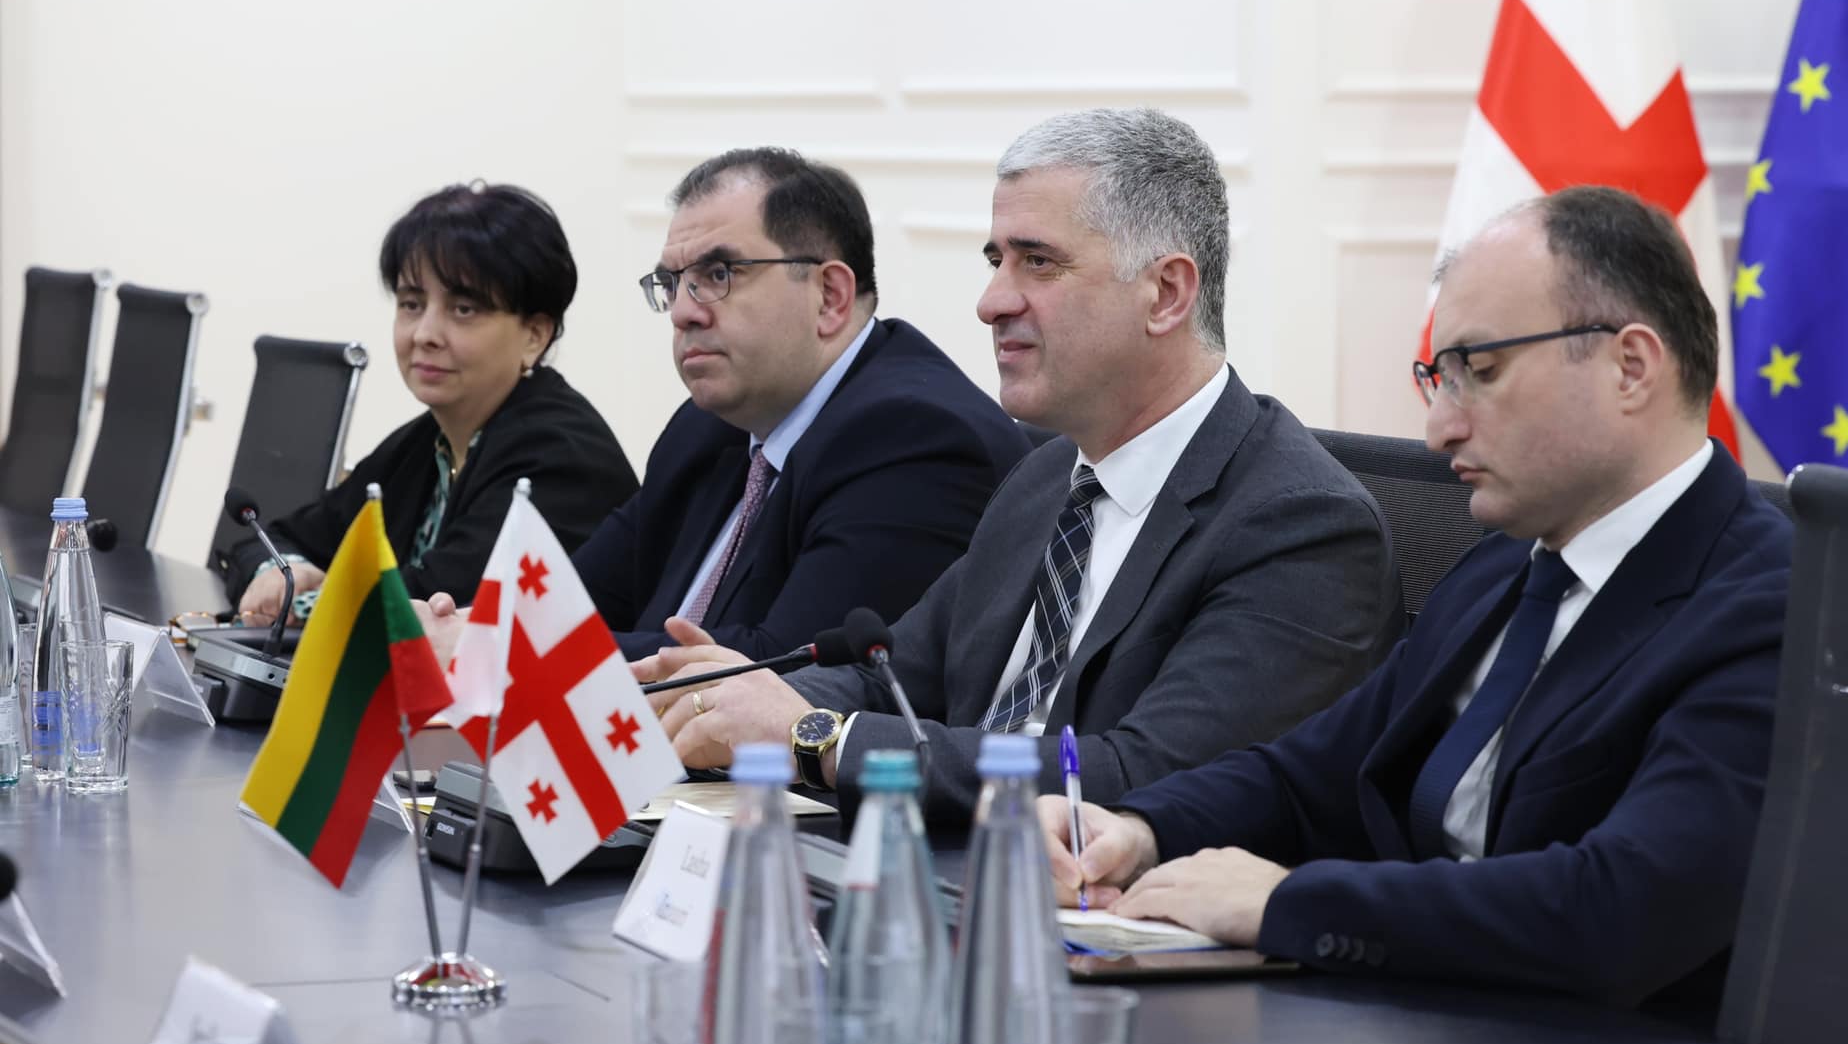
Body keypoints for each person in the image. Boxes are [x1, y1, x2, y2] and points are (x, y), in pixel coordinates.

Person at [1040, 185, 1792, 1016]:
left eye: (1481, 372)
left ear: (1631, 367)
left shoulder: (1771, 607)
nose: (1439, 431)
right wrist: (1136, 830)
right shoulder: (1504, 567)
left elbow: (1621, 909)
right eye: (1439, 377)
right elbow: (1310, 774)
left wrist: (1288, 904)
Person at [641, 109, 1399, 822]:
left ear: (1166, 293)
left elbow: (1139, 776)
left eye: (1039, 262)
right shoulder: (1047, 478)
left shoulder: (1301, 525)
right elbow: (888, 674)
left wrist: (815, 737)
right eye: (996, 260)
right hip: (945, 871)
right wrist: (726, 698)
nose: (992, 302)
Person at [562, 147, 1031, 659]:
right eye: (674, 283)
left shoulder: (916, 438)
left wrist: (542, 654)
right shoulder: (707, 427)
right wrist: (507, 636)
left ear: (830, 296)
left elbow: (782, 669)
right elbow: (563, 607)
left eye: (718, 274)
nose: (682, 312)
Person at [232, 182, 638, 620]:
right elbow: (274, 539)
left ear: (534, 336)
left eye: (463, 309)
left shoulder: (563, 459)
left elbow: (433, 604)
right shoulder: (427, 442)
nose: (424, 334)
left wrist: (301, 600)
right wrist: (282, 573)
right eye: (411, 304)